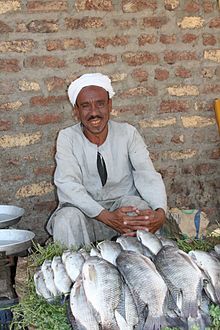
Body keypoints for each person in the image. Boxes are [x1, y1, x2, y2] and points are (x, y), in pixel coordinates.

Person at [46, 73, 167, 248]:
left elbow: (147, 174)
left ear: (110, 105)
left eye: (100, 104)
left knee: (140, 211)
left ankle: (140, 269)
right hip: (86, 213)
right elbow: (67, 184)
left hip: (123, 212)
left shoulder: (128, 133)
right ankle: (78, 271)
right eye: (85, 106)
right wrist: (105, 216)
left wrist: (160, 212)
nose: (94, 113)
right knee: (66, 220)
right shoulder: (67, 137)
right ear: (76, 111)